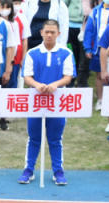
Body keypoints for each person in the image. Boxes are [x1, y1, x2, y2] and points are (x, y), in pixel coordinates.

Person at [17, 20, 75, 186]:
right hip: (36, 100)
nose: (49, 35)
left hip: (57, 102)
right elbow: (27, 76)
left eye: (53, 32)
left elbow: (68, 76)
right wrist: (37, 85)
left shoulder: (65, 53)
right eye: (47, 32)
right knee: (34, 137)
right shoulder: (32, 53)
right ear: (41, 32)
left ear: (58, 34)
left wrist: (55, 85)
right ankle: (29, 169)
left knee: (55, 139)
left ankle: (58, 171)